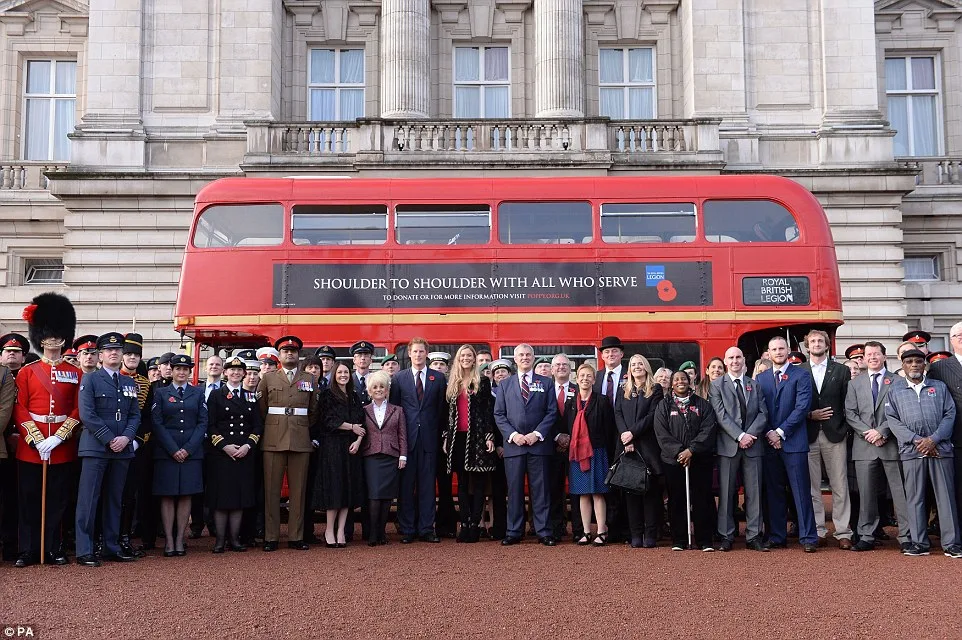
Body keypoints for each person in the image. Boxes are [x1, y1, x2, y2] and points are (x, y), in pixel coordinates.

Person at [11, 295, 81, 568]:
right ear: (40, 338)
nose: (52, 340)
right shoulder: (28, 372)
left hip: (61, 448)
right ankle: (28, 550)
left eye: (57, 335)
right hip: (32, 448)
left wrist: (58, 436)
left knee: (57, 501)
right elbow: (20, 407)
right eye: (47, 335)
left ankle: (53, 548)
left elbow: (78, 410)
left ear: (64, 338)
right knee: (28, 500)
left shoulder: (75, 373)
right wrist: (36, 438)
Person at [885, 349, 961, 558]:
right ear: (903, 365)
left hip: (940, 450)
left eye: (919, 361)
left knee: (945, 497)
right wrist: (918, 441)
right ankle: (919, 542)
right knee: (915, 498)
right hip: (912, 451)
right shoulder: (895, 391)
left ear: (925, 364)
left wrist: (933, 440)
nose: (915, 365)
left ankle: (951, 543)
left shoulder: (939, 387)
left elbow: (949, 414)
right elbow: (893, 420)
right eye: (909, 361)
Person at [76, 332, 142, 566]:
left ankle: (111, 546)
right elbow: (87, 415)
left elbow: (134, 414)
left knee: (115, 498)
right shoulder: (90, 379)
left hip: (122, 449)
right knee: (89, 499)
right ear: (100, 355)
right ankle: (84, 549)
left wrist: (125, 437)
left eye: (118, 349)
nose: (114, 353)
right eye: (108, 350)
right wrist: (109, 438)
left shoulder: (129, 382)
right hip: (96, 447)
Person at [844, 341, 911, 552]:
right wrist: (870, 434)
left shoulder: (898, 381)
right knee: (866, 494)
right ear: (864, 358)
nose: (872, 357)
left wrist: (882, 431)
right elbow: (850, 414)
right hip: (864, 447)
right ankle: (866, 535)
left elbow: (901, 412)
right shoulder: (854, 384)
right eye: (868, 354)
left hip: (891, 445)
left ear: (884, 356)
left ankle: (907, 536)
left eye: (876, 354)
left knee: (900, 494)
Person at [257, 336, 320, 551]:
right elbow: (262, 408)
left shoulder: (309, 380)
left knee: (298, 491)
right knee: (272, 491)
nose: (289, 354)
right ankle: (271, 537)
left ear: (298, 355)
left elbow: (313, 411)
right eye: (285, 351)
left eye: (293, 351)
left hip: (300, 438)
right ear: (279, 356)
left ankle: (296, 536)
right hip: (273, 438)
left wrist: (301, 425)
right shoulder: (268, 379)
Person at [756, 335, 819, 552]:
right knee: (773, 492)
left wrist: (780, 432)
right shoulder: (761, 379)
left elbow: (802, 407)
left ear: (788, 350)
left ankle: (809, 537)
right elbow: (758, 410)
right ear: (769, 353)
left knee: (801, 492)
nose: (778, 352)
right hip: (768, 444)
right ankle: (777, 535)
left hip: (793, 442)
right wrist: (769, 433)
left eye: (782, 348)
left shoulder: (801, 375)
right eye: (774, 349)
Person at [494, 343, 558, 546]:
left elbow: (551, 412)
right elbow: (499, 414)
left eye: (528, 354)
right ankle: (514, 531)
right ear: (515, 359)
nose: (524, 358)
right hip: (514, 447)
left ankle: (544, 531)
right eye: (520, 355)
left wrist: (536, 434)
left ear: (533, 357)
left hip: (538, 446)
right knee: (514, 492)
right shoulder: (505, 384)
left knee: (540, 491)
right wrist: (514, 435)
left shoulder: (546, 383)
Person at [710, 347, 770, 552]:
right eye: (731, 358)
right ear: (726, 362)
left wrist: (749, 435)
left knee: (755, 492)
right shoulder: (717, 385)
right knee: (727, 493)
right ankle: (726, 535)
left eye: (738, 357)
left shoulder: (755, 384)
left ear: (744, 360)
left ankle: (754, 535)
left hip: (753, 445)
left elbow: (763, 413)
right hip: (729, 446)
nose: (735, 361)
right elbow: (720, 415)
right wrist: (740, 436)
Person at [390, 337, 447, 543]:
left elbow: (442, 411)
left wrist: (441, 436)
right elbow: (394, 411)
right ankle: (407, 529)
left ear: (427, 354)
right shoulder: (399, 379)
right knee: (406, 487)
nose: (418, 355)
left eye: (422, 352)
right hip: (407, 440)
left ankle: (426, 528)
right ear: (409, 354)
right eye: (415, 352)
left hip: (430, 440)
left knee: (427, 486)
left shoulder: (438, 378)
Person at [800, 329, 853, 549]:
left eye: (820, 340)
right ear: (807, 346)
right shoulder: (799, 371)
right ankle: (819, 530)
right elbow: (794, 404)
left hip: (835, 433)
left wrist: (845, 428)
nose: (817, 344)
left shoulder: (841, 371)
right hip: (809, 434)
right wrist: (809, 415)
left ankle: (843, 532)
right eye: (812, 341)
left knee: (840, 485)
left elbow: (848, 403)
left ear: (827, 344)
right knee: (811, 487)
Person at [150, 354, 207, 558]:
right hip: (167, 452)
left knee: (185, 495)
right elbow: (157, 423)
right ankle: (169, 540)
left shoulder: (198, 393)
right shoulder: (161, 393)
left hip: (191, 452)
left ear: (190, 372)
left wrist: (188, 449)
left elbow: (202, 423)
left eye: (185, 369)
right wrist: (173, 449)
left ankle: (180, 538)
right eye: (178, 369)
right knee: (167, 495)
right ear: (171, 371)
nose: (181, 372)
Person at [654, 370, 717, 551]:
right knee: (677, 500)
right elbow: (661, 433)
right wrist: (679, 452)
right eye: (676, 379)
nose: (680, 381)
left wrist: (692, 450)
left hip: (699, 460)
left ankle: (704, 539)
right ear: (672, 384)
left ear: (689, 382)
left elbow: (708, 429)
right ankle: (679, 539)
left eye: (684, 378)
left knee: (701, 499)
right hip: (674, 462)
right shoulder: (663, 406)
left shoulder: (702, 405)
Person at [206, 356, 262, 553]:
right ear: (225, 373)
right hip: (222, 454)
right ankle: (220, 540)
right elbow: (210, 425)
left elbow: (257, 426)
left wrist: (247, 446)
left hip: (244, 453)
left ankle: (235, 539)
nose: (236, 373)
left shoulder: (250, 396)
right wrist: (224, 446)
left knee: (239, 498)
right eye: (232, 370)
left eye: (239, 371)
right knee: (222, 499)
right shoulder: (216, 395)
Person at [443, 345, 496, 543]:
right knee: (462, 484)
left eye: (469, 356)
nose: (466, 358)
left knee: (479, 483)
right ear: (458, 359)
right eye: (462, 356)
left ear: (474, 360)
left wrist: (489, 436)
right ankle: (464, 524)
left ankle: (475, 524)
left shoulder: (482, 381)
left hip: (477, 437)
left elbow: (487, 411)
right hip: (458, 438)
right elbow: (447, 415)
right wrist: (446, 437)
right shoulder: (452, 383)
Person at [613, 354, 664, 548]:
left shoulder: (655, 389)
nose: (636, 367)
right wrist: (626, 437)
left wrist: (632, 433)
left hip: (648, 447)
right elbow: (617, 413)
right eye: (633, 365)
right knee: (630, 492)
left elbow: (653, 415)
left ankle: (650, 534)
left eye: (640, 364)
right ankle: (635, 534)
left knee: (649, 492)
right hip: (626, 447)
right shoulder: (623, 389)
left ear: (646, 367)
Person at [313, 362, 365, 547]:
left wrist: (358, 442)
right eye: (340, 372)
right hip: (332, 448)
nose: (343, 375)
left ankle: (341, 530)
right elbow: (328, 421)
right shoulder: (327, 395)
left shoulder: (354, 396)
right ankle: (329, 530)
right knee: (334, 490)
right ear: (334, 375)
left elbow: (362, 423)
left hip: (351, 447)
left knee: (347, 491)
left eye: (346, 372)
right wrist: (351, 427)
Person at [566, 363, 617, 546]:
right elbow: (567, 427)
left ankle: (601, 530)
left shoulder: (602, 401)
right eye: (582, 376)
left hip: (598, 451)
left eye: (589, 376)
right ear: (576, 378)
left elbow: (610, 429)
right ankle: (586, 531)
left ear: (594, 380)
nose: (585, 379)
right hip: (578, 453)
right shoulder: (571, 402)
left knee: (598, 493)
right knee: (582, 493)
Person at [118, 332, 155, 557]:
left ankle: (124, 536)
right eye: (129, 353)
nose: (132, 357)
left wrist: (136, 441)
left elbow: (147, 417)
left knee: (129, 495)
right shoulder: (110, 378)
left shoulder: (145, 384)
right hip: (110, 443)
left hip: (134, 446)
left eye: (136, 355)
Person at [360, 371, 406, 545]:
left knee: (387, 497)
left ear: (387, 390)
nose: (379, 390)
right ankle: (373, 533)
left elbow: (402, 434)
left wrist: (403, 455)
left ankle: (382, 533)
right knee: (373, 496)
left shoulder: (398, 410)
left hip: (391, 456)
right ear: (370, 391)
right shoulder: (363, 410)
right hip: (371, 456)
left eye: (382, 387)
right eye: (375, 387)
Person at [926, 321, 962, 543]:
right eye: (958, 335)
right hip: (956, 436)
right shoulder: (940, 368)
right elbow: (935, 405)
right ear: (951, 340)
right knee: (957, 490)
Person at [593, 336, 629, 542]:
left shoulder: (629, 375)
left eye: (614, 351)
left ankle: (624, 529)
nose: (610, 355)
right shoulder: (597, 378)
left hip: (623, 435)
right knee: (605, 482)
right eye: (606, 352)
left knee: (624, 481)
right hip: (601, 437)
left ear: (621, 354)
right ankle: (607, 527)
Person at [0, 333, 29, 563]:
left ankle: (15, 544)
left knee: (17, 497)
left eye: (17, 351)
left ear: (24, 356)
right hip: (4, 443)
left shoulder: (28, 375)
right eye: (8, 351)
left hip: (26, 442)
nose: (12, 354)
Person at [548, 354, 576, 540]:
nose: (561, 368)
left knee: (576, 489)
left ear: (570, 368)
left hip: (575, 447)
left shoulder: (579, 389)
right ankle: (557, 529)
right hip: (551, 446)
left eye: (565, 365)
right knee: (554, 490)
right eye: (557, 365)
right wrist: (557, 436)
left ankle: (579, 530)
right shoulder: (545, 389)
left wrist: (570, 439)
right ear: (552, 369)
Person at [353, 341, 375, 406]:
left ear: (371, 360)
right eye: (359, 355)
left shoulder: (375, 380)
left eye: (366, 355)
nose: (363, 358)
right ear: (354, 360)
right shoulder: (348, 379)